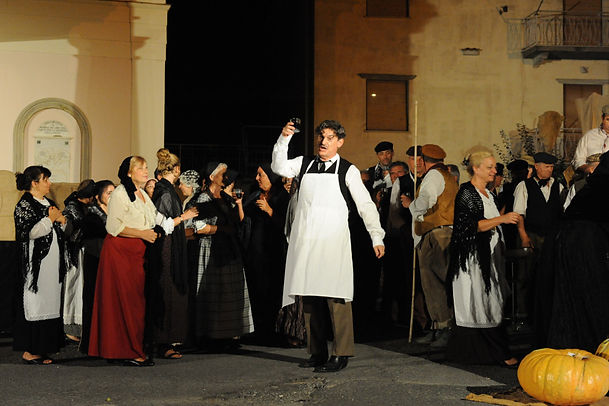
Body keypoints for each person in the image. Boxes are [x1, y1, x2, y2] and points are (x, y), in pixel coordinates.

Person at [271, 119, 385, 373]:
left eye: (330, 137)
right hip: (306, 242)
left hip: (333, 243)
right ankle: (317, 351)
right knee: (309, 297)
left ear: (340, 142)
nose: (323, 142)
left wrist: (376, 236)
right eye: (321, 136)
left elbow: (365, 205)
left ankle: (341, 353)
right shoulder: (304, 163)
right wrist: (285, 137)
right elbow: (278, 166)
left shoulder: (347, 170)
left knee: (337, 298)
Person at [88, 156, 169, 367]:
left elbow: (155, 219)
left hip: (137, 252)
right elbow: (113, 227)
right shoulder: (120, 194)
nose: (145, 171)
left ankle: (127, 348)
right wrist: (143, 234)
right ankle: (128, 350)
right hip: (120, 252)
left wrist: (178, 221)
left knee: (135, 302)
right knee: (126, 302)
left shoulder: (142, 194)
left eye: (146, 167)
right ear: (129, 172)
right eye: (140, 168)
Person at [445, 151, 519, 367]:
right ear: (476, 169)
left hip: (489, 257)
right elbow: (470, 226)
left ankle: (487, 353)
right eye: (489, 167)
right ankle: (497, 352)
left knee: (491, 301)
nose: (494, 171)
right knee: (480, 302)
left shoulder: (489, 194)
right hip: (473, 259)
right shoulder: (467, 193)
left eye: (494, 167)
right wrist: (502, 219)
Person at [536, 151, 609, 352]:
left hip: (572, 241)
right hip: (584, 245)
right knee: (588, 299)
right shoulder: (602, 185)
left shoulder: (596, 184)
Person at [190, 162, 254, 350]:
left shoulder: (225, 198)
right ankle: (210, 336)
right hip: (211, 249)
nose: (225, 177)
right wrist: (222, 229)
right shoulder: (203, 198)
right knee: (213, 292)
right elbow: (198, 226)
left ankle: (228, 335)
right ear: (212, 177)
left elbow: (238, 223)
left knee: (228, 293)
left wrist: (238, 206)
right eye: (222, 174)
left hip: (228, 250)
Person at [401, 144, 458, 348]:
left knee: (434, 284)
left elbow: (425, 201)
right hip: (445, 232)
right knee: (440, 282)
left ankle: (444, 327)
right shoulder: (448, 176)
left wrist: (411, 205)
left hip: (435, 234)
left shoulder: (433, 176)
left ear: (425, 161)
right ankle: (438, 326)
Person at [13, 166, 67, 365]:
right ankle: (31, 351)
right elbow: (29, 233)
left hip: (51, 263)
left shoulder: (49, 202)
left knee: (50, 300)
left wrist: (61, 221)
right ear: (34, 183)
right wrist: (50, 219)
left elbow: (61, 226)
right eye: (45, 179)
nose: (49, 183)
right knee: (36, 302)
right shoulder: (24, 205)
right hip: (34, 265)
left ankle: (44, 348)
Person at [148, 148, 198, 359]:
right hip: (166, 248)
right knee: (167, 292)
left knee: (170, 292)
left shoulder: (166, 189)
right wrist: (185, 216)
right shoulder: (166, 192)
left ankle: (167, 340)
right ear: (176, 169)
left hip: (170, 246)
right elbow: (161, 223)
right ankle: (163, 342)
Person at [513, 152, 564, 329]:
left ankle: (546, 314)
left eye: (551, 167)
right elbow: (519, 214)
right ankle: (522, 315)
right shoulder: (524, 186)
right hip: (531, 234)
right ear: (536, 167)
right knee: (525, 276)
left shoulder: (558, 186)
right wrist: (523, 236)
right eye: (546, 166)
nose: (550, 170)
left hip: (551, 237)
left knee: (549, 275)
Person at [241, 164, 290, 346]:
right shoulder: (255, 195)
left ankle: (272, 333)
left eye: (261, 175)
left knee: (272, 292)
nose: (257, 178)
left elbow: (287, 224)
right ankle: (258, 331)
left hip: (273, 254)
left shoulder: (282, 197)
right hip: (255, 253)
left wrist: (269, 210)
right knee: (257, 291)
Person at [79, 180, 114, 355]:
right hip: (95, 260)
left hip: (111, 261)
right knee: (93, 300)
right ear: (98, 197)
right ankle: (91, 344)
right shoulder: (91, 216)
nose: (112, 197)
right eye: (109, 193)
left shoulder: (116, 213)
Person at [62, 178, 96, 343]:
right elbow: (70, 231)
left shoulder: (88, 207)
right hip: (74, 252)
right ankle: (70, 327)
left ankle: (81, 326)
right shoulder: (72, 208)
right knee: (73, 287)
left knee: (81, 288)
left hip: (85, 250)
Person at [378, 161, 409, 327]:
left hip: (403, 240)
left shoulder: (409, 192)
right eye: (392, 174)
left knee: (403, 279)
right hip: (388, 240)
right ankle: (386, 317)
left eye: (399, 173)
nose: (395, 177)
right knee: (388, 279)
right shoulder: (386, 194)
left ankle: (404, 316)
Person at [571, 104, 609, 176]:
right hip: (591, 178)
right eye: (608, 119)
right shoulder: (589, 136)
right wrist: (586, 167)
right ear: (602, 118)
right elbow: (578, 160)